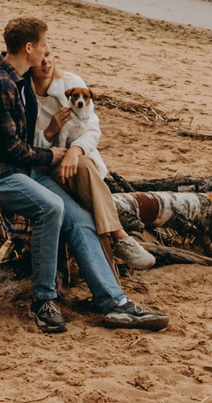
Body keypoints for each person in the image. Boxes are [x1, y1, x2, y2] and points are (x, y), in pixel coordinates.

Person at [0, 16, 168, 335]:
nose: (47, 52)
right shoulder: (0, 83)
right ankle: (44, 301)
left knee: (80, 219)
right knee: (51, 208)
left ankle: (114, 303)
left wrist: (56, 152)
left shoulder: (19, 80)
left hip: (19, 169)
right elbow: (6, 147)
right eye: (44, 45)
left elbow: (24, 144)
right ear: (29, 48)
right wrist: (50, 155)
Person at [28, 47, 159, 271]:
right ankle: (120, 237)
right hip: (44, 165)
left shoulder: (73, 82)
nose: (46, 62)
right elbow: (26, 148)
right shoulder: (23, 94)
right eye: (39, 58)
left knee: (85, 168)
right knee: (88, 207)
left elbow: (93, 129)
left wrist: (75, 150)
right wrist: (50, 132)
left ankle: (114, 270)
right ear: (27, 60)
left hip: (77, 162)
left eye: (48, 55)